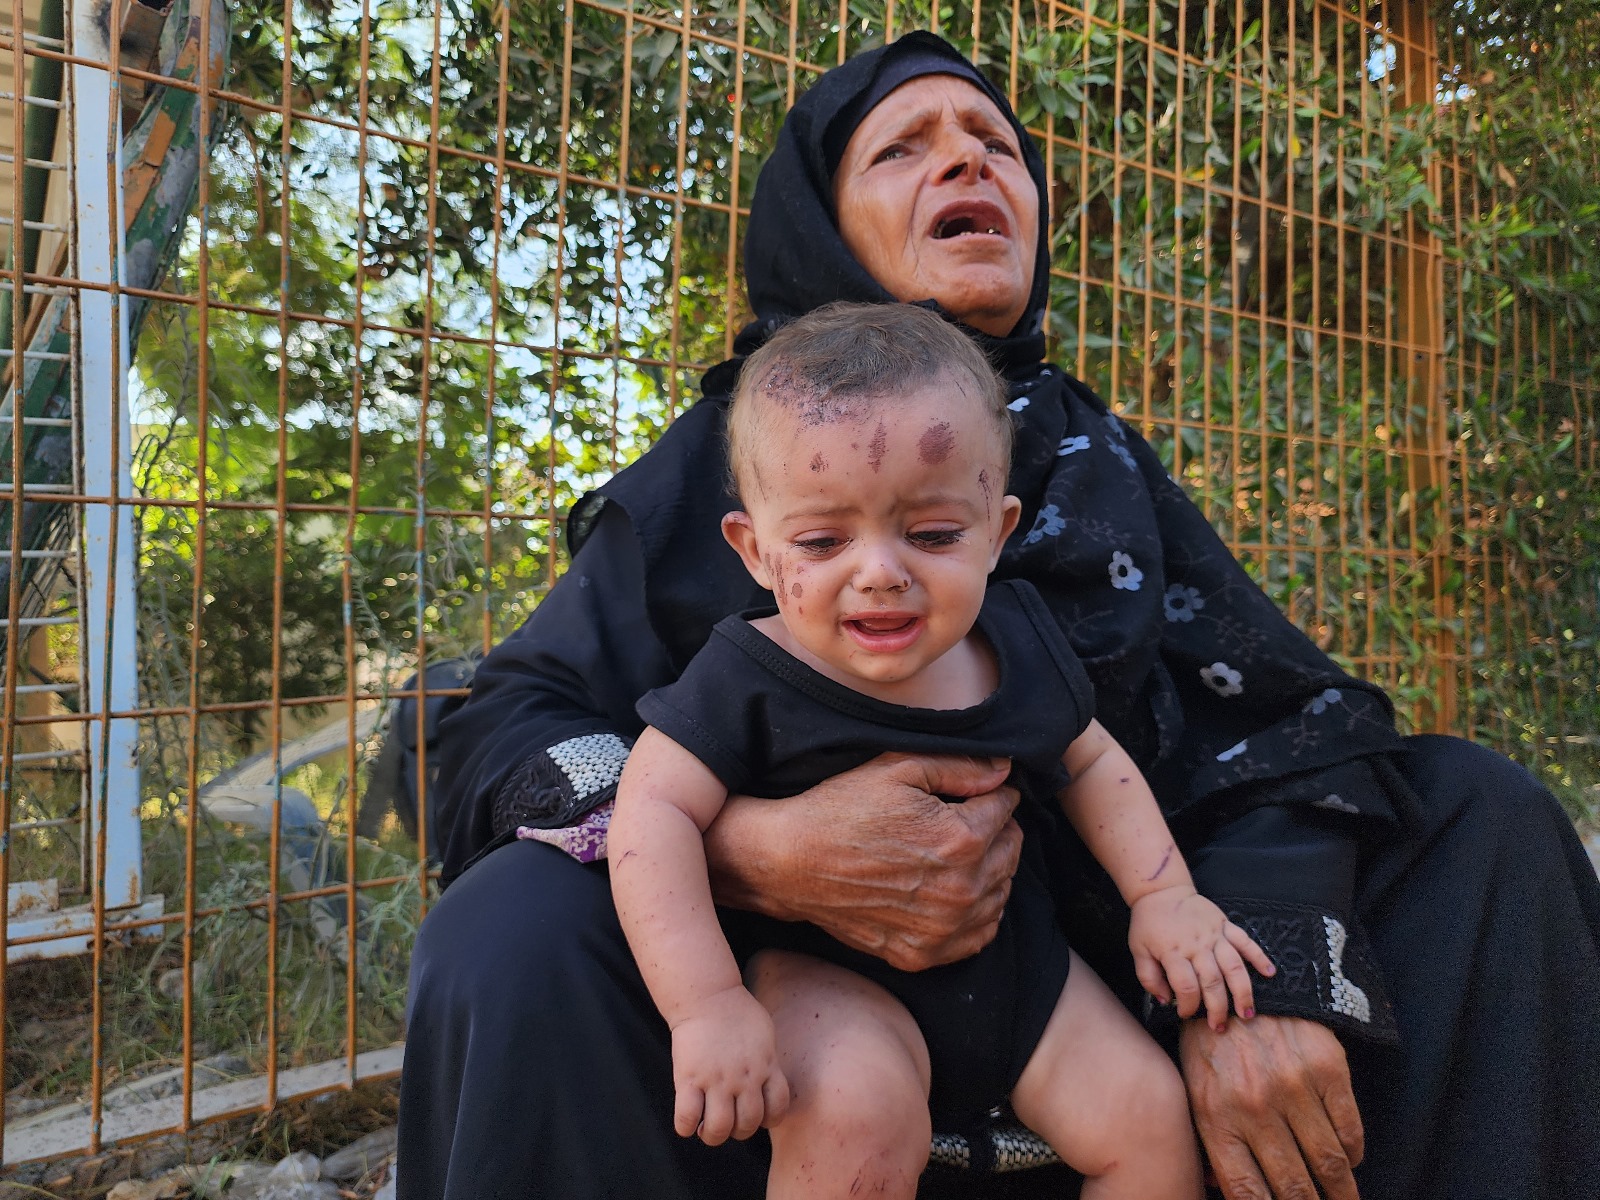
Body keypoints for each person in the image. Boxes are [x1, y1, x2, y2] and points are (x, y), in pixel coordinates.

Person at [398, 30, 1600, 1200]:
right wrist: (753, 854)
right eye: (904, 148)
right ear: (819, 222)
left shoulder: (1101, 458)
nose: (969, 160)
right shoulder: (717, 470)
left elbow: (1274, 735)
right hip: (797, 1025)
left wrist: (1263, 981)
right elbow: (497, 727)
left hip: (1094, 997)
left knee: (1481, 819)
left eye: (994, 141)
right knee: (507, 924)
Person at [608, 301, 1278, 1199]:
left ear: (998, 533)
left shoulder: (1021, 646)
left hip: (1021, 974)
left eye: (931, 535)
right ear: (756, 551)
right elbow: (648, 814)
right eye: (822, 540)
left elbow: (1091, 764)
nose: (880, 570)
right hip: (829, 985)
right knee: (853, 1116)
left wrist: (1163, 897)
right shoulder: (744, 673)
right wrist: (707, 1005)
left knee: (1151, 1119)